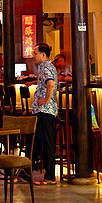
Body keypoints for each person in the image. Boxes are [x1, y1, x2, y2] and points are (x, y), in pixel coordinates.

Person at [31, 43, 58, 185]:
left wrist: (46, 100)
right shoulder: (46, 67)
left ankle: (50, 176)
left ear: (43, 54)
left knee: (46, 142)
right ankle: (28, 171)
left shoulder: (46, 67)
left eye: (35, 53)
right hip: (44, 110)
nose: (33, 56)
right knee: (39, 141)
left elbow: (51, 84)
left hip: (46, 110)